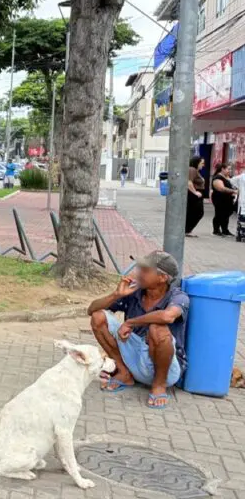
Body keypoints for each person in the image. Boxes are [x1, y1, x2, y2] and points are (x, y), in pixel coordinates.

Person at [88, 250, 188, 410]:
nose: (138, 273)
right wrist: (116, 295)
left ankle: (159, 385)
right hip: (134, 358)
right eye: (139, 268)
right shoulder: (134, 292)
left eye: (145, 270)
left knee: (157, 329)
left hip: (165, 369)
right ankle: (124, 373)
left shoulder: (178, 297)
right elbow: (91, 309)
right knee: (98, 317)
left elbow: (167, 317)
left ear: (163, 278)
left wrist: (131, 323)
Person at [210, 163, 237, 237]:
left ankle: (225, 230)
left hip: (227, 199)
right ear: (222, 169)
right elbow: (221, 188)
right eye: (228, 169)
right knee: (219, 214)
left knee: (226, 214)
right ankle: (216, 230)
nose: (230, 171)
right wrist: (233, 191)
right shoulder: (218, 178)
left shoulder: (226, 177)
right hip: (219, 199)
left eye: (230, 169)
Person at [186, 156, 206, 237]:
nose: (203, 165)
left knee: (195, 212)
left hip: (197, 194)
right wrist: (195, 192)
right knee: (197, 212)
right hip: (193, 195)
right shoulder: (192, 169)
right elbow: (189, 182)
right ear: (196, 163)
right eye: (202, 163)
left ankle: (187, 230)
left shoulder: (196, 171)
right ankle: (187, 230)